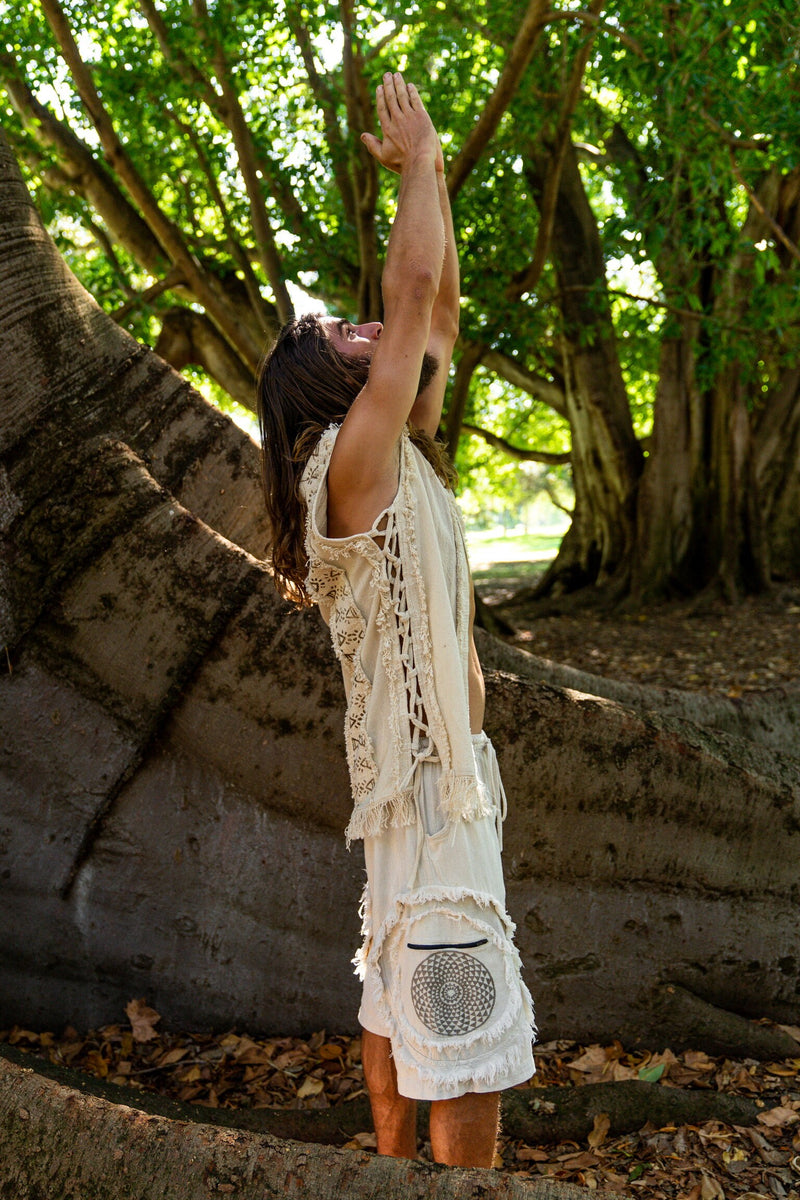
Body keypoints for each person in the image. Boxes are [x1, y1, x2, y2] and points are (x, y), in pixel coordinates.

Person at [257, 72, 535, 1168]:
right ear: (329, 388)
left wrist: (430, 183)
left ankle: (386, 1181)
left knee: (396, 999)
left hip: (425, 785)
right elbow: (414, 291)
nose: (375, 326)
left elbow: (441, 305)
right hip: (427, 796)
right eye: (346, 334)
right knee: (458, 1024)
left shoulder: (387, 450)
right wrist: (420, 164)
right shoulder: (347, 464)